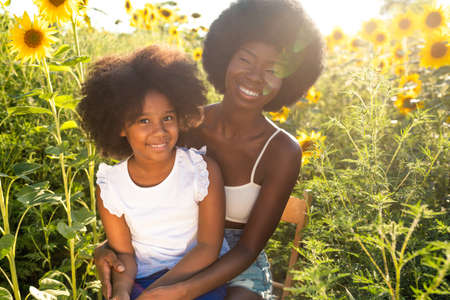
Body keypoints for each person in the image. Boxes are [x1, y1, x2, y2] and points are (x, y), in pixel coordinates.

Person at [94, 0, 324, 299]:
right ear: (225, 57)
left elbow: (248, 249)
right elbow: (144, 198)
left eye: (272, 69)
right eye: (246, 59)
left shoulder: (282, 152)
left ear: (290, 79)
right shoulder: (183, 123)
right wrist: (105, 248)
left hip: (238, 263)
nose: (255, 75)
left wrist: (181, 291)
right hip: (171, 256)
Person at [78, 45, 228, 300]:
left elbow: (208, 248)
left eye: (168, 118)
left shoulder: (201, 172)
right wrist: (123, 291)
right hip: (143, 278)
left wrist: (157, 293)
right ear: (120, 126)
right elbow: (125, 254)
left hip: (200, 277)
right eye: (144, 121)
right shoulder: (111, 186)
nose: (159, 131)